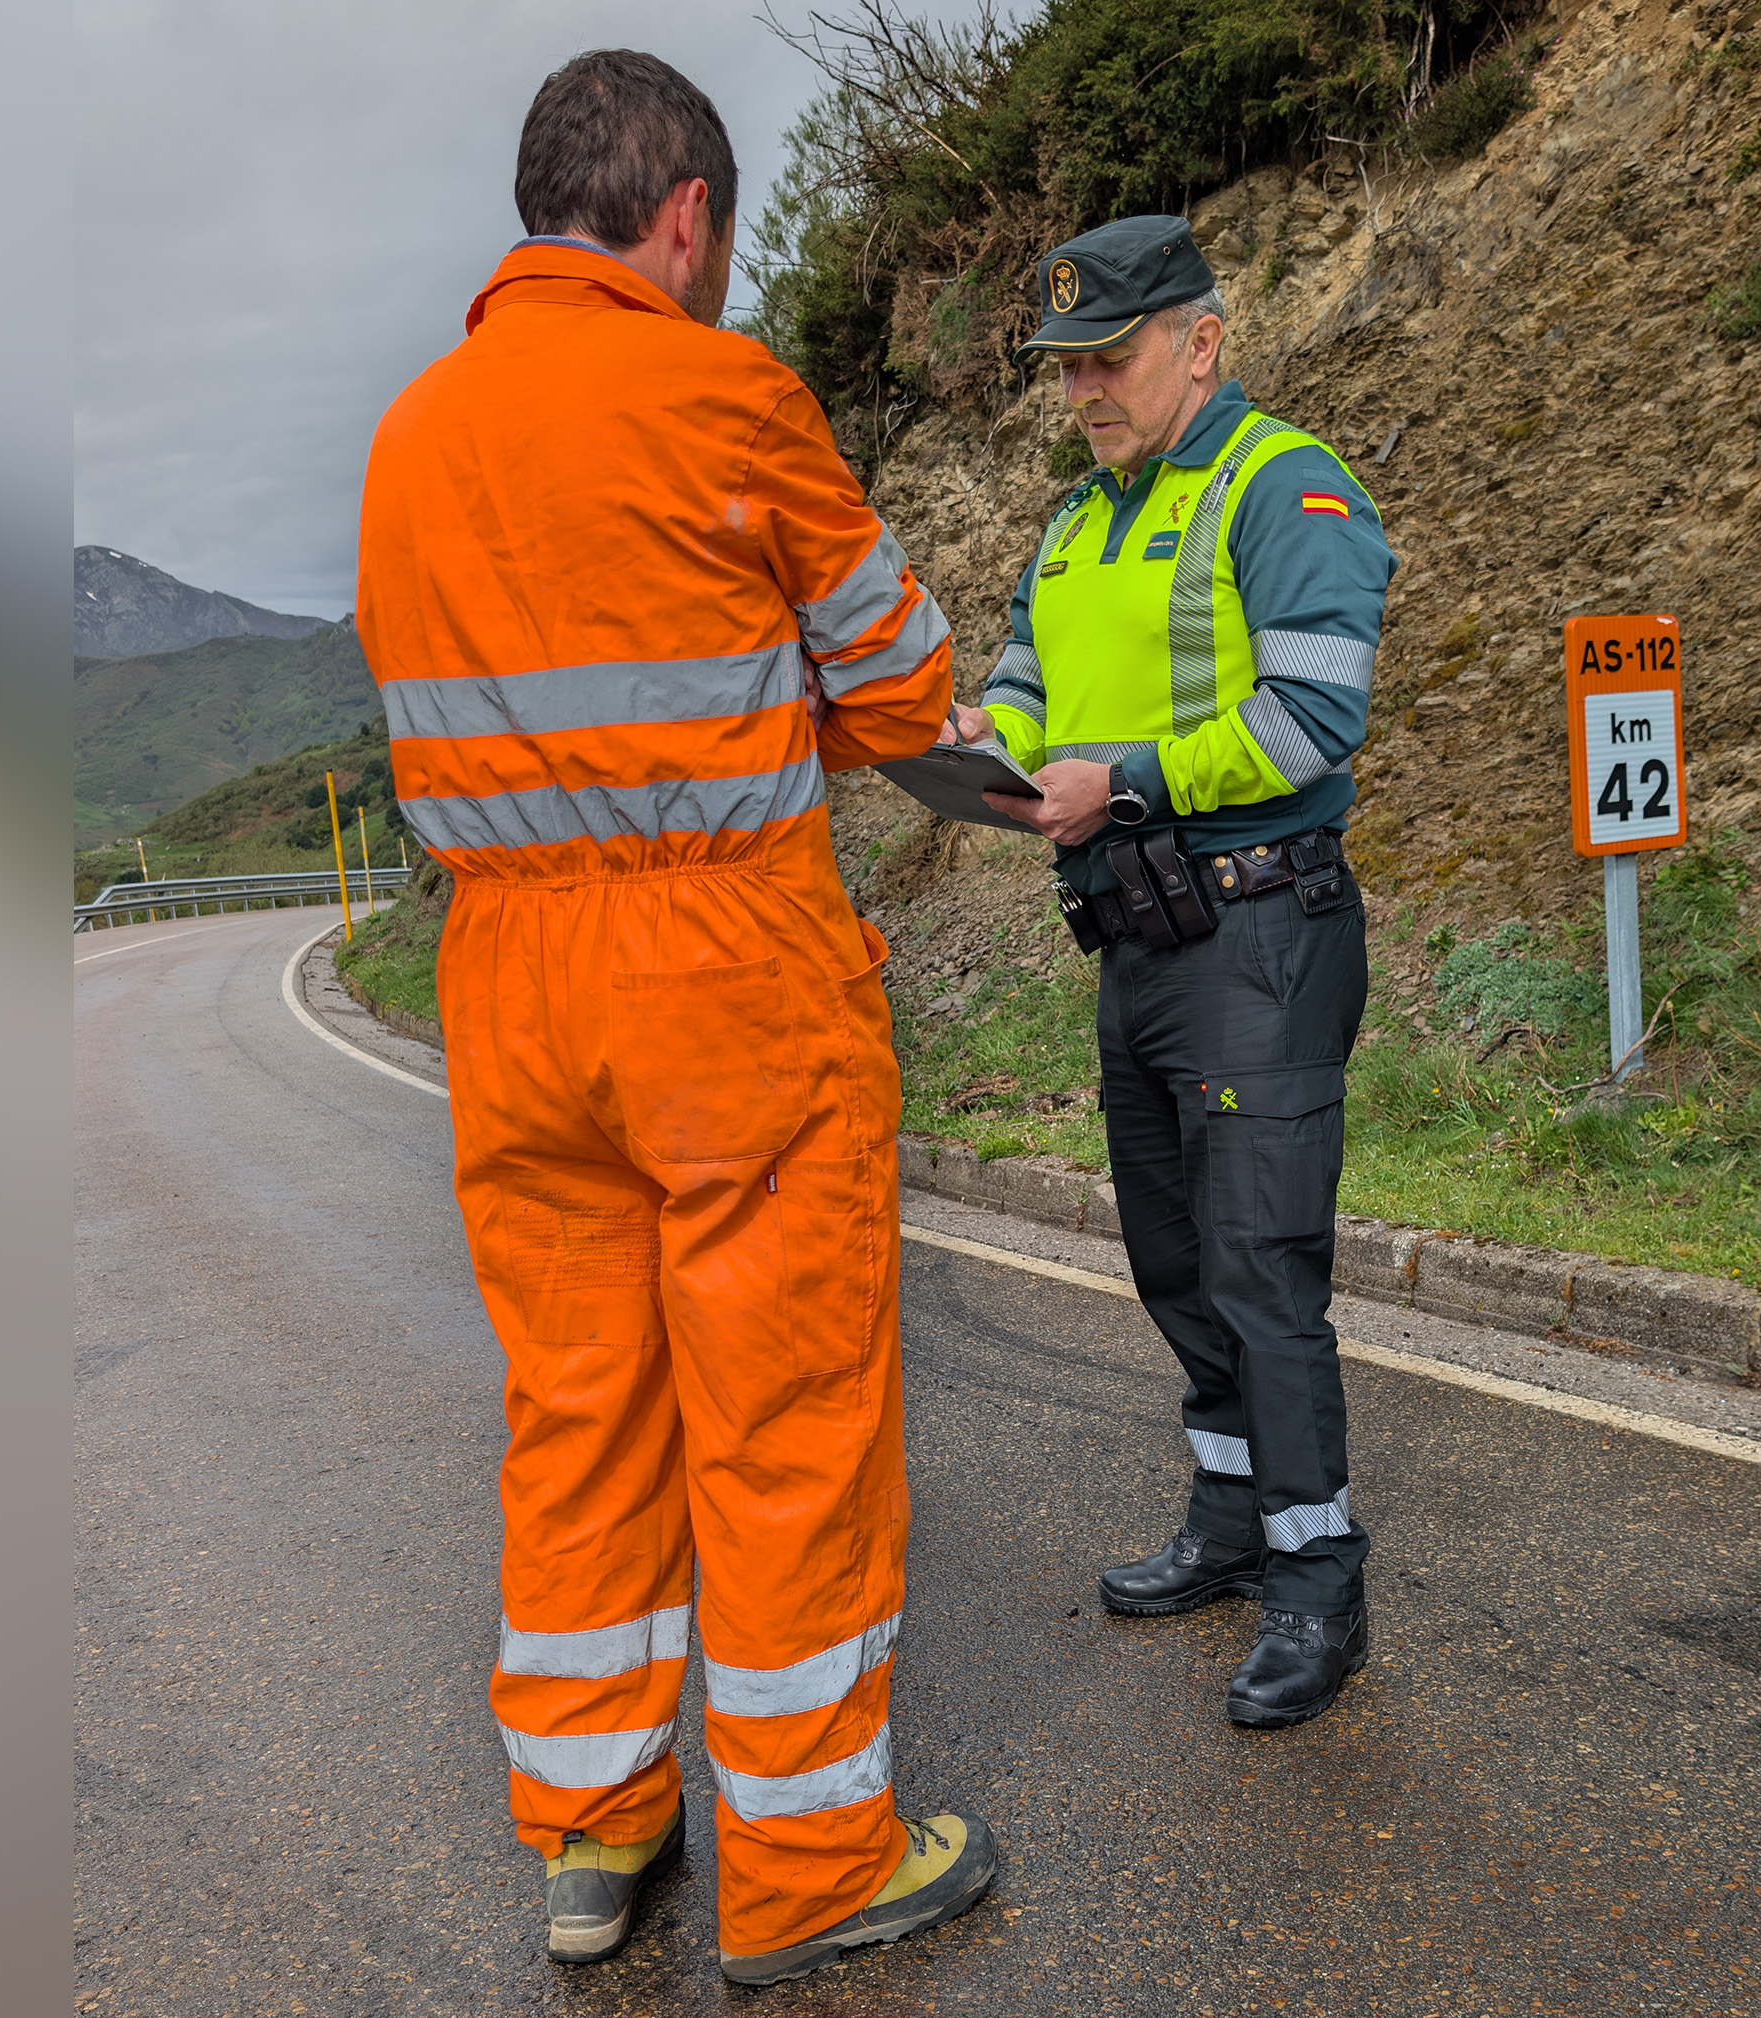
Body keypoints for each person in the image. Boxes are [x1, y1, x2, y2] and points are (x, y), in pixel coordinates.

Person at [354, 48, 995, 1987]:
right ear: (686, 216)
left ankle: (596, 1824)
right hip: (724, 983)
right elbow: (896, 686)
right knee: (783, 1418)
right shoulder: (723, 391)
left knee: (578, 1412)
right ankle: (807, 1867)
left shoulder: (409, 440)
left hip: (510, 993)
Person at [960, 215, 1397, 1729]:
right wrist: (986, 754)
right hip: (1136, 938)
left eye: (1111, 355)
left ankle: (1316, 1577)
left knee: (1263, 1268)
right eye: (1064, 364)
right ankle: (1229, 1520)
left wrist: (1124, 782)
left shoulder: (1281, 483)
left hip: (1261, 932)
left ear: (1202, 342)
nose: (1084, 387)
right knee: (1172, 1255)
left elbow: (1312, 721)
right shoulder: (1078, 524)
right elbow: (1026, 686)